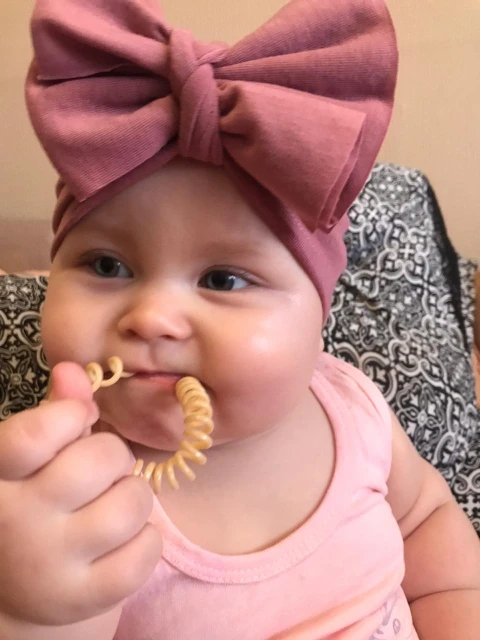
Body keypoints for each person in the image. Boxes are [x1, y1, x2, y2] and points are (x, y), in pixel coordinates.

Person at [0, 0, 479, 638]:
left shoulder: (355, 411)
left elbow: (428, 525)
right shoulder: (59, 497)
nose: (153, 318)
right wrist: (28, 608)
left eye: (223, 279)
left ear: (319, 311)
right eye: (108, 266)